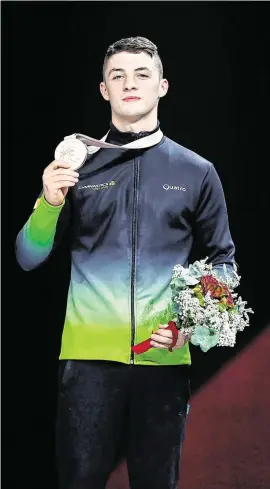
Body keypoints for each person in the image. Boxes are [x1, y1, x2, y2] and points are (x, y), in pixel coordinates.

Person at [15, 36, 237, 489]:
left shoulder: (196, 171)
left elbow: (224, 264)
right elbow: (27, 258)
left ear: (163, 86)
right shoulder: (77, 170)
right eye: (118, 76)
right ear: (103, 90)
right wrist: (49, 203)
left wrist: (188, 327)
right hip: (87, 366)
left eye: (141, 75)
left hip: (164, 363)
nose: (129, 84)